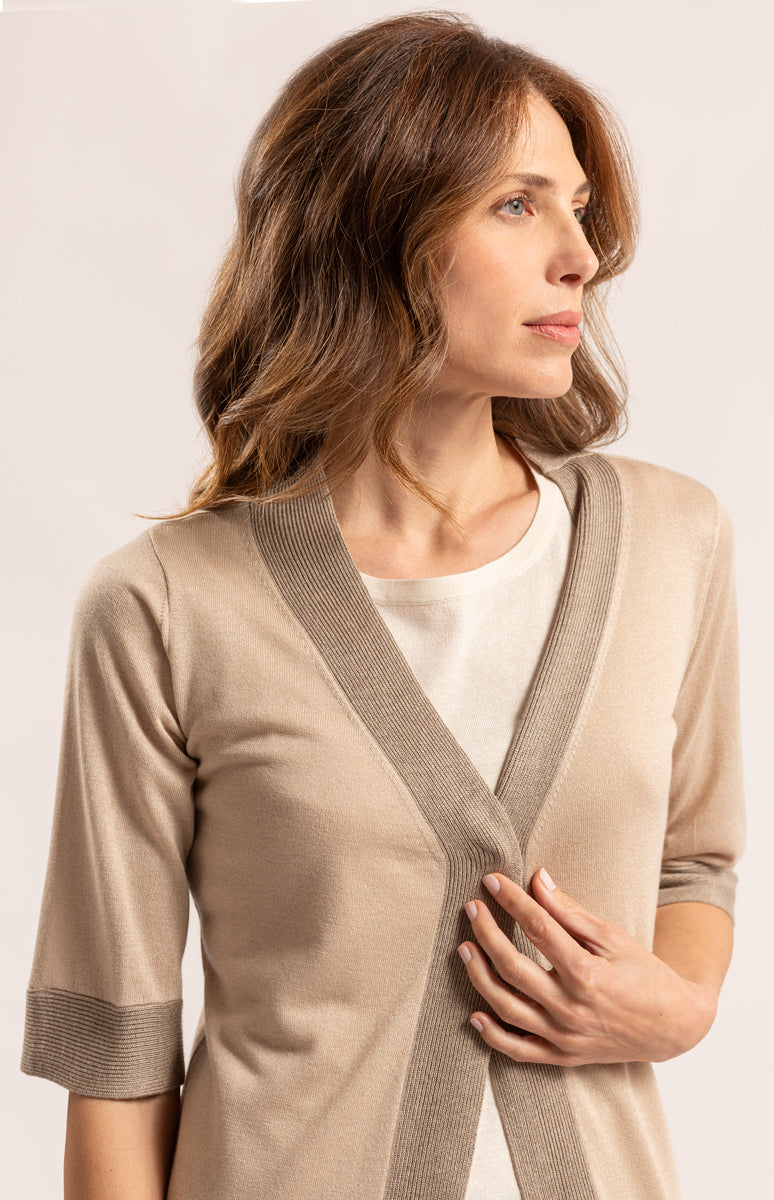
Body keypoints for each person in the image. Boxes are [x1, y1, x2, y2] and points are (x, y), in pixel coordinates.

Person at [20, 11, 745, 1200]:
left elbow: (695, 861)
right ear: (374, 232)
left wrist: (682, 1007)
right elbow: (115, 1043)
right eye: (516, 206)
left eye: (578, 208)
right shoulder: (164, 605)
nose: (580, 255)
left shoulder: (674, 540)